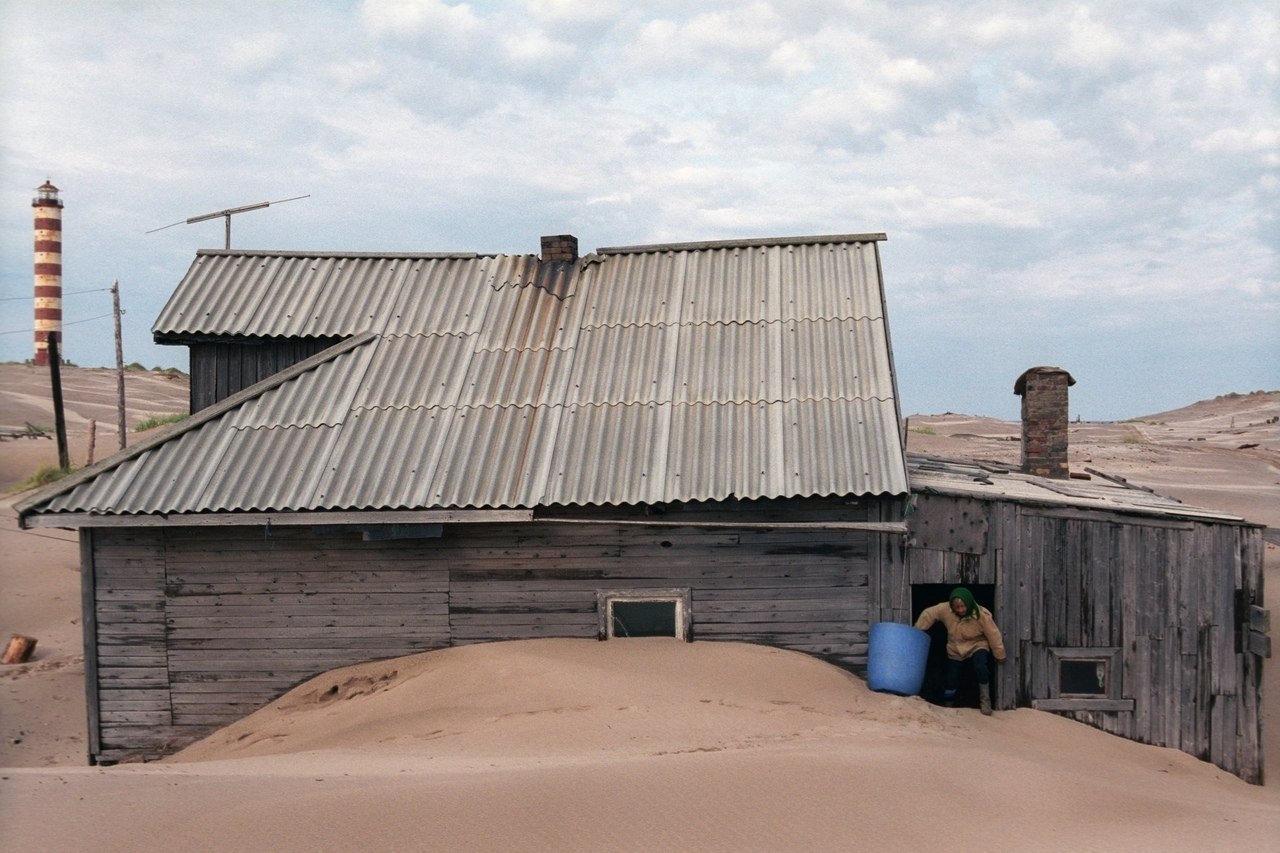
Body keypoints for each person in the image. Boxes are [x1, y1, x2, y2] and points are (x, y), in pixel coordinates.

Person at [914, 587, 1006, 715]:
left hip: (977, 644)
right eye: (957, 607)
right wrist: (916, 632)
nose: (961, 610)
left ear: (969, 603)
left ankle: (985, 701)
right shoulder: (945, 609)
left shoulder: (981, 614)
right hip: (955, 647)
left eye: (963, 606)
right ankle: (948, 703)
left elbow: (993, 634)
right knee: (952, 676)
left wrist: (999, 654)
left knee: (981, 667)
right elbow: (928, 614)